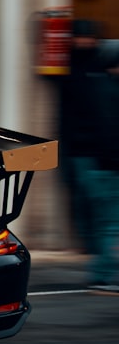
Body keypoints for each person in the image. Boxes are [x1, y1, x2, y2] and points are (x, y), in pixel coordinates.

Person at [59, 19, 119, 293]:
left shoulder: (89, 77)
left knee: (98, 217)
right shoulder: (103, 85)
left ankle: (100, 269)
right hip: (98, 159)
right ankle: (104, 273)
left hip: (86, 156)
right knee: (107, 220)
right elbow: (106, 126)